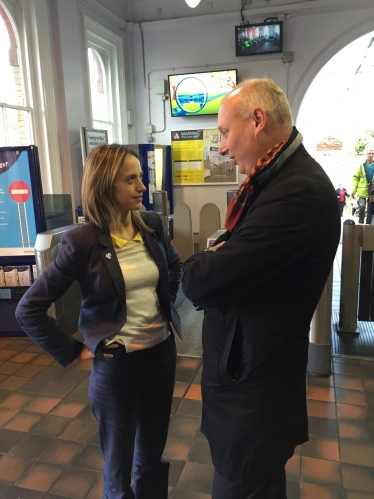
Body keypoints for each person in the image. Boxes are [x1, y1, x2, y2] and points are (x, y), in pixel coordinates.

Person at [182, 78, 341, 499]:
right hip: (250, 379)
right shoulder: (276, 180)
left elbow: (204, 280)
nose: (222, 148)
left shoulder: (296, 192)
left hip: (253, 389)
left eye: (224, 132)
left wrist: (201, 259)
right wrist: (218, 252)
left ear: (257, 120)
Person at [15, 144, 182, 499]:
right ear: (106, 186)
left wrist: (163, 307)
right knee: (119, 469)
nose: (142, 186)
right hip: (117, 368)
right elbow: (29, 309)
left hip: (161, 357)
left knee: (152, 457)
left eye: (141, 177)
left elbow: (175, 265)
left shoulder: (151, 225)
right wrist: (76, 351)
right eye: (131, 179)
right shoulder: (82, 242)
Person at [351, 146, 374, 224]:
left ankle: (368, 223)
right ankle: (361, 221)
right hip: (362, 190)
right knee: (362, 206)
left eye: (372, 153)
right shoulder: (361, 166)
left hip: (372, 190)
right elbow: (355, 178)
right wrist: (353, 190)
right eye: (369, 153)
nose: (371, 155)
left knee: (371, 208)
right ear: (366, 154)